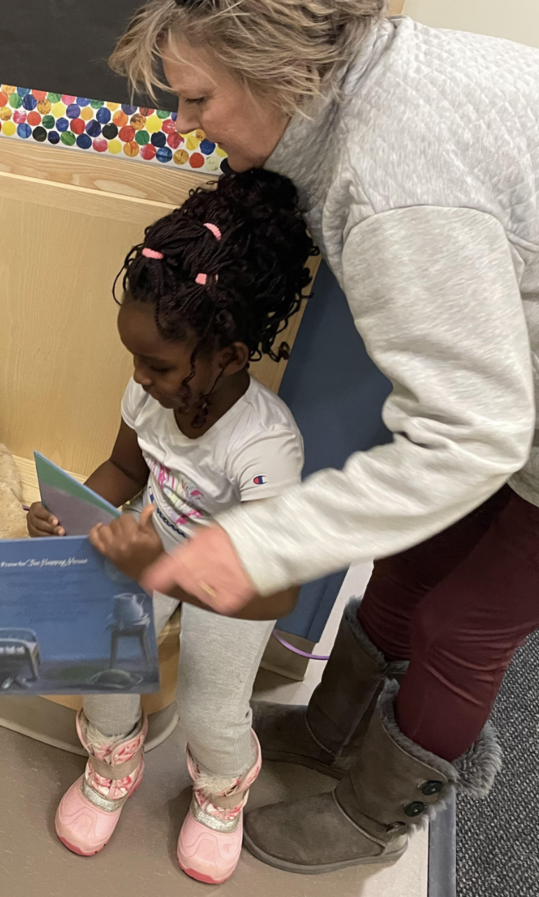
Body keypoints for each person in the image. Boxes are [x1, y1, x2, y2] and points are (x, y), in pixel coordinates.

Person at [109, 0, 539, 875]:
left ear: (273, 72)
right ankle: (329, 729)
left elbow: (471, 436)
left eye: (198, 99)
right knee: (411, 564)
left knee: (460, 625)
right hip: (514, 391)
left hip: (504, 418)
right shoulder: (382, 85)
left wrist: (258, 544)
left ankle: (371, 816)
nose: (182, 123)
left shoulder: (392, 185)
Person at [27, 168, 311, 883]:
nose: (139, 378)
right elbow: (124, 470)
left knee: (213, 710)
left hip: (238, 583)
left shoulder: (266, 446)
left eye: (155, 365)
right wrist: (69, 510)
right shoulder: (149, 397)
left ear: (228, 357)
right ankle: (112, 761)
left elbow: (271, 589)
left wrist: (157, 565)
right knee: (99, 650)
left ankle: (221, 792)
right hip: (154, 543)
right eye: (135, 360)